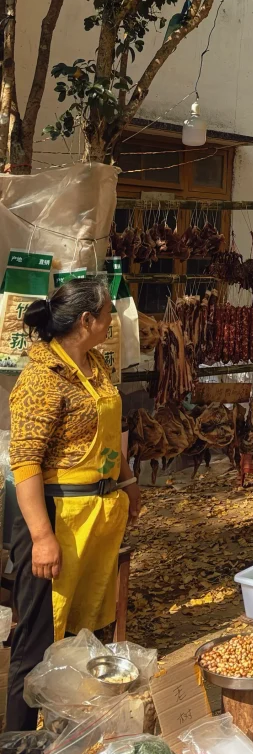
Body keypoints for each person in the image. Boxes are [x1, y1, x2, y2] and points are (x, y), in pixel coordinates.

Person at [7, 276, 141, 730]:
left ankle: (66, 735)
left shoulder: (95, 364)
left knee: (83, 635)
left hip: (95, 520)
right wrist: (42, 538)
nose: (112, 322)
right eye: (107, 315)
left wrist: (127, 480)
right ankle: (17, 746)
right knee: (36, 642)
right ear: (87, 321)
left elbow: (106, 437)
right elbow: (25, 462)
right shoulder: (41, 379)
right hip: (55, 521)